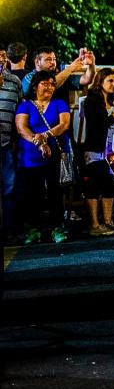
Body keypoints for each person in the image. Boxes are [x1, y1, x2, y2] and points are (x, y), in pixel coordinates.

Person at [14, 71, 72, 244]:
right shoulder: (26, 105)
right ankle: (34, 229)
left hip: (55, 155)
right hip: (31, 157)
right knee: (33, 193)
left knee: (55, 191)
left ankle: (57, 228)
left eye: (52, 83)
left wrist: (45, 135)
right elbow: (21, 128)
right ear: (35, 86)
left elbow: (64, 124)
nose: (49, 87)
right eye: (45, 83)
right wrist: (38, 142)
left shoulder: (59, 103)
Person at [78, 68, 114, 236]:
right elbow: (94, 123)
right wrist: (112, 117)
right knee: (93, 185)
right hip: (95, 149)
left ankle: (108, 221)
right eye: (110, 80)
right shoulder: (91, 101)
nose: (113, 84)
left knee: (110, 184)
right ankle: (94, 224)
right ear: (100, 81)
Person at [1, 49, 24, 243]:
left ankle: (9, 231)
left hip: (6, 144)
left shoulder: (14, 82)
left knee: (9, 189)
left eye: (3, 56)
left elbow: (20, 109)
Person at [21, 46, 95, 99]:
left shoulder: (62, 76)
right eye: (48, 59)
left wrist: (91, 64)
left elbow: (86, 79)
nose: (53, 62)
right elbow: (46, 87)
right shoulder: (29, 77)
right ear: (37, 62)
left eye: (54, 59)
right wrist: (71, 68)